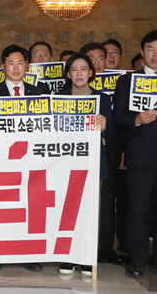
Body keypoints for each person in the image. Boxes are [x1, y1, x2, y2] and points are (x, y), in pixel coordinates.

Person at [0, 44, 47, 273]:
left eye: (20, 63)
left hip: (31, 159)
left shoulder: (39, 92)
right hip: (2, 159)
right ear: (3, 67)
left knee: (29, 205)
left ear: (27, 66)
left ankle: (28, 253)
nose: (16, 67)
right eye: (11, 63)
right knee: (2, 205)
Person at [57, 53, 120, 277]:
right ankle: (68, 256)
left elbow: (112, 131)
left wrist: (104, 125)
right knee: (69, 209)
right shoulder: (59, 98)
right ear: (68, 74)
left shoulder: (102, 98)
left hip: (95, 161)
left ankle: (87, 257)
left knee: (93, 211)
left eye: (83, 69)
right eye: (74, 69)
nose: (79, 73)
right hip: (66, 162)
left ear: (91, 73)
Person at [114, 30, 157, 278]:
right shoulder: (127, 81)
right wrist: (137, 119)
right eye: (151, 49)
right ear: (142, 52)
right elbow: (118, 115)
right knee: (138, 210)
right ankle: (138, 259)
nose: (155, 54)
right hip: (141, 155)